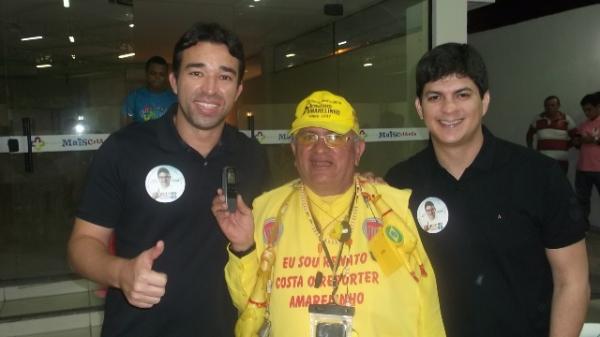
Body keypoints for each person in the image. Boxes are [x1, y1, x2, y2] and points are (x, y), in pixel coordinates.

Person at [68, 22, 269, 337]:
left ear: (238, 89)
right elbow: (82, 245)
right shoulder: (125, 149)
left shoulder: (251, 155)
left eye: (225, 76)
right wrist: (121, 273)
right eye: (196, 73)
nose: (211, 89)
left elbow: (272, 233)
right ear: (175, 81)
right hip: (138, 329)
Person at [385, 43, 589, 337]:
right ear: (419, 107)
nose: (449, 109)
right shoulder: (400, 182)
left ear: (485, 101)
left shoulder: (537, 175)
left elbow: (572, 279)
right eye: (434, 97)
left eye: (462, 94)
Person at [213, 90, 445, 337]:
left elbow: (426, 296)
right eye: (308, 136)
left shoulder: (393, 208)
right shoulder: (265, 210)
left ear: (358, 150)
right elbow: (248, 302)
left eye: (335, 137)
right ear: (293, 149)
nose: (320, 149)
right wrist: (243, 247)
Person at [526, 95, 577, 173]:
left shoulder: (567, 119)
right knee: (542, 184)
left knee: (559, 185)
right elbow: (529, 135)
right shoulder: (538, 119)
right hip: (542, 161)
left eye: (552, 105)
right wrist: (531, 149)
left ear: (558, 106)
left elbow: (576, 137)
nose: (549, 108)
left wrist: (566, 146)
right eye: (546, 105)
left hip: (561, 163)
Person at [121, 55, 178, 125]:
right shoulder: (133, 98)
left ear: (166, 76)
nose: (157, 77)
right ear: (146, 74)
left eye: (161, 74)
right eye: (153, 73)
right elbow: (125, 129)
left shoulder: (175, 100)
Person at [573, 91, 600, 228]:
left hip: (599, 169)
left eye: (589, 109)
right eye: (584, 110)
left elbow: (593, 140)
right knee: (582, 200)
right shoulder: (583, 125)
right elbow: (577, 144)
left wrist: (592, 139)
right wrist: (577, 141)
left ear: (598, 107)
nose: (587, 113)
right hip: (582, 169)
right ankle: (582, 228)